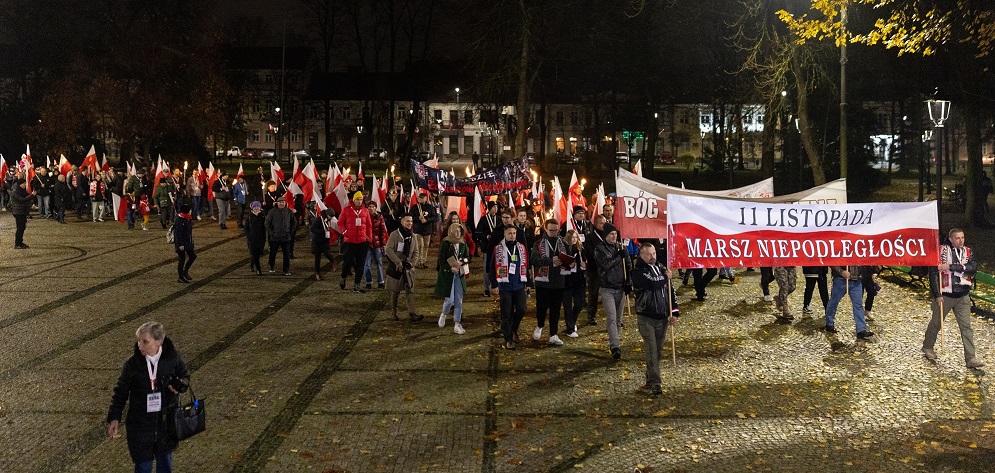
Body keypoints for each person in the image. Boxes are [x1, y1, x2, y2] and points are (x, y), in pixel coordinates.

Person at [106, 321, 189, 473]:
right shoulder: (133, 364)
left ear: (158, 341)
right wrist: (114, 418)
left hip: (166, 423)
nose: (140, 345)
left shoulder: (172, 358)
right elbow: (121, 392)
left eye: (145, 341)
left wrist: (180, 384)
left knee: (165, 466)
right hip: (140, 424)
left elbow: (185, 377)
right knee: (143, 467)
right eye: (139, 341)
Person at [923, 228, 983, 368]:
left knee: (966, 327)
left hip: (963, 295)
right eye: (957, 238)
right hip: (945, 295)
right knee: (936, 323)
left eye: (962, 237)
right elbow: (933, 274)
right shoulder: (940, 252)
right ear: (951, 239)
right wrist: (937, 294)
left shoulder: (968, 251)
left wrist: (951, 266)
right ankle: (927, 346)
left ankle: (971, 357)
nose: (961, 240)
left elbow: (972, 268)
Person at [631, 242, 679, 395]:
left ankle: (649, 378)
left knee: (657, 351)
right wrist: (665, 278)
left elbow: (671, 291)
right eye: (648, 254)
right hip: (646, 317)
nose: (652, 257)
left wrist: (674, 312)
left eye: (654, 253)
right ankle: (656, 383)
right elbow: (652, 284)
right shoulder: (637, 272)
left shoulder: (662, 268)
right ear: (641, 255)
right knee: (651, 350)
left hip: (662, 318)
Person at [593, 228, 632, 360]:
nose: (614, 236)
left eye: (615, 234)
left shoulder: (621, 247)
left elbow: (628, 265)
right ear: (605, 235)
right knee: (611, 317)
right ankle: (614, 346)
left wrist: (629, 282)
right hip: (607, 288)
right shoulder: (599, 249)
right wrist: (618, 256)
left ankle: (616, 342)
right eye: (611, 234)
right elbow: (605, 266)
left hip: (620, 287)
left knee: (618, 320)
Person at [531, 219, 568, 346]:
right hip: (543, 282)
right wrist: (550, 261)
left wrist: (570, 263)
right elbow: (534, 260)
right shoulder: (538, 243)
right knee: (541, 307)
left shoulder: (562, 243)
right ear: (546, 229)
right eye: (551, 230)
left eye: (556, 230)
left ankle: (553, 334)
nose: (553, 233)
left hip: (559, 281)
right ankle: (540, 325)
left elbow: (568, 257)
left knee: (556, 309)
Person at [492, 225, 529, 350]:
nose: (512, 236)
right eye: (509, 233)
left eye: (514, 233)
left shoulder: (521, 248)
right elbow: (492, 267)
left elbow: (526, 265)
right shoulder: (498, 249)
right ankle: (508, 339)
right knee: (506, 314)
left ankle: (513, 329)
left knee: (522, 309)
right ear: (504, 234)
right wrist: (494, 284)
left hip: (518, 284)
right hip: (505, 286)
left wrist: (528, 282)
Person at [435, 221, 471, 335]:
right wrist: (450, 268)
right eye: (455, 231)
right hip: (448, 275)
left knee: (459, 300)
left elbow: (467, 257)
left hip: (459, 275)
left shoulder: (463, 243)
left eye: (459, 231)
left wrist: (462, 262)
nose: (458, 233)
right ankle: (444, 314)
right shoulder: (446, 243)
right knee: (449, 300)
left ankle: (457, 323)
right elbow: (441, 260)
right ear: (451, 232)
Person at [385, 213, 421, 321]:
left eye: (411, 221)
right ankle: (394, 312)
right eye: (407, 221)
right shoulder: (395, 235)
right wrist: (397, 261)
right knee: (395, 291)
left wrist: (411, 264)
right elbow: (388, 249)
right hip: (397, 267)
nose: (410, 223)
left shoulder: (413, 236)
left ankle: (412, 313)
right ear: (402, 222)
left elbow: (416, 252)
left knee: (410, 290)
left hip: (408, 269)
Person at [823, 265, 874, 339]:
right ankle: (829, 324)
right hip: (840, 280)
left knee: (858, 305)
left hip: (857, 281)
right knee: (834, 302)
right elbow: (832, 262)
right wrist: (842, 272)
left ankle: (861, 330)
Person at [339, 191, 373, 292]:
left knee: (360, 264)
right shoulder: (346, 210)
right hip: (350, 241)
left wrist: (369, 237)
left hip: (362, 242)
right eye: (357, 199)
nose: (359, 201)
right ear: (354, 200)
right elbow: (340, 223)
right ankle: (343, 276)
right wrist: (345, 232)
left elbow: (369, 225)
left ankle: (357, 284)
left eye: (361, 199)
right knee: (348, 262)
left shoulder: (365, 211)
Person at [561, 229, 587, 338]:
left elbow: (586, 261)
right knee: (567, 305)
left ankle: (572, 321)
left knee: (579, 303)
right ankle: (570, 328)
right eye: (572, 237)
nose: (574, 239)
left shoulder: (581, 249)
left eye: (575, 237)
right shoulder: (563, 249)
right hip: (567, 280)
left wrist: (584, 265)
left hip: (579, 280)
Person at [475, 202, 501, 297]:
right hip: (487, 248)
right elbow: (478, 233)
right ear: (489, 208)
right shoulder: (483, 220)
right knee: (487, 268)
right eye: (494, 207)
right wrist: (486, 237)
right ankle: (486, 288)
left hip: (498, 248)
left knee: (498, 267)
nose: (496, 209)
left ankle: (497, 285)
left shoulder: (499, 219)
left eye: (496, 207)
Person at [265, 196, 295, 275]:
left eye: (283, 202)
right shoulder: (272, 212)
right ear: (277, 203)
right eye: (280, 202)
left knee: (286, 254)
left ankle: (286, 270)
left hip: (286, 236)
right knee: (273, 253)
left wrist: (290, 232)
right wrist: (272, 233)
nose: (282, 204)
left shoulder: (289, 212)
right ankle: (271, 266)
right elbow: (267, 223)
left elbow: (294, 222)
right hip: (275, 237)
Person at [410, 192, 440, 269]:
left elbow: (434, 217)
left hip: (427, 229)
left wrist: (427, 220)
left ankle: (423, 261)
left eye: (422, 198)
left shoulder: (430, 207)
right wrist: (418, 218)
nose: (421, 199)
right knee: (420, 245)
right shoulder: (414, 207)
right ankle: (419, 261)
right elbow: (410, 217)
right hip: (418, 229)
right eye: (420, 198)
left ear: (426, 199)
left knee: (426, 246)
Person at [364, 201, 389, 289]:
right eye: (369, 206)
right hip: (367, 243)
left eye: (372, 206)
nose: (371, 208)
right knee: (367, 263)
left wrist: (384, 245)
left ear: (375, 208)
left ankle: (381, 281)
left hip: (377, 243)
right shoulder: (364, 217)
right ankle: (368, 282)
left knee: (379, 262)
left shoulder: (379, 217)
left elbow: (382, 232)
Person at [310, 208, 336, 280]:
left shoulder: (327, 220)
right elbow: (312, 229)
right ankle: (317, 273)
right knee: (317, 258)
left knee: (327, 253)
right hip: (317, 241)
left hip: (325, 241)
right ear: (327, 215)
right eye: (330, 216)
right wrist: (322, 231)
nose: (331, 218)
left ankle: (333, 261)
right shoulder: (318, 220)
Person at [10, 178, 37, 248]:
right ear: (20, 184)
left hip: (22, 211)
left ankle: (20, 242)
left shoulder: (21, 190)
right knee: (20, 228)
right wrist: (32, 195)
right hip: (18, 211)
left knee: (22, 227)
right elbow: (22, 200)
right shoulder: (15, 191)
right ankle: (18, 244)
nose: (25, 185)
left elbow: (26, 196)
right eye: (24, 183)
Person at [173, 204, 195, 283]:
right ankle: (180, 277)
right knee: (182, 259)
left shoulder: (187, 218)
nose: (191, 211)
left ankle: (185, 271)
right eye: (190, 210)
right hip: (181, 243)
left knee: (192, 256)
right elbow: (178, 234)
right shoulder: (180, 220)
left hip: (187, 242)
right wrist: (180, 245)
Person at [244, 201, 267, 275]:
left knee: (258, 253)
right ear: (252, 208)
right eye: (255, 207)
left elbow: (266, 225)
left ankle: (252, 265)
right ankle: (258, 269)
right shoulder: (249, 216)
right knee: (255, 253)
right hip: (252, 238)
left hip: (261, 238)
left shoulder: (263, 216)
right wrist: (249, 236)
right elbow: (246, 228)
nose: (256, 208)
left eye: (258, 206)